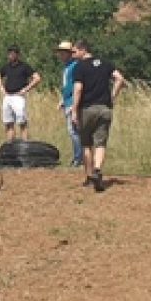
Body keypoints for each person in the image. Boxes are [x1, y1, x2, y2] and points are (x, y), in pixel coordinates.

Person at [70, 40, 126, 192]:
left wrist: (74, 110)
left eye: (75, 52)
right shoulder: (105, 63)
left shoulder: (79, 67)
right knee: (101, 143)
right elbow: (120, 79)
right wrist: (112, 96)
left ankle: (89, 176)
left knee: (86, 143)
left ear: (83, 50)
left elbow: (78, 89)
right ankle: (97, 169)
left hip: (87, 109)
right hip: (105, 108)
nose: (73, 55)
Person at [0, 45, 42, 141]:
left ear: (18, 55)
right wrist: (1, 87)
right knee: (8, 123)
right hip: (8, 96)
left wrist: (26, 89)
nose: (11, 56)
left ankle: (25, 145)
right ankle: (10, 145)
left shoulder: (24, 66)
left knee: (22, 122)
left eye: (13, 53)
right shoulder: (6, 67)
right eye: (9, 53)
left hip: (19, 97)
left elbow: (37, 78)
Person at [55, 41, 82, 167]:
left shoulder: (74, 66)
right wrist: (62, 99)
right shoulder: (67, 67)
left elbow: (77, 85)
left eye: (63, 53)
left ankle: (78, 158)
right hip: (67, 101)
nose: (60, 55)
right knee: (73, 131)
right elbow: (67, 86)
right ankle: (78, 156)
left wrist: (74, 103)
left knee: (74, 131)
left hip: (72, 102)